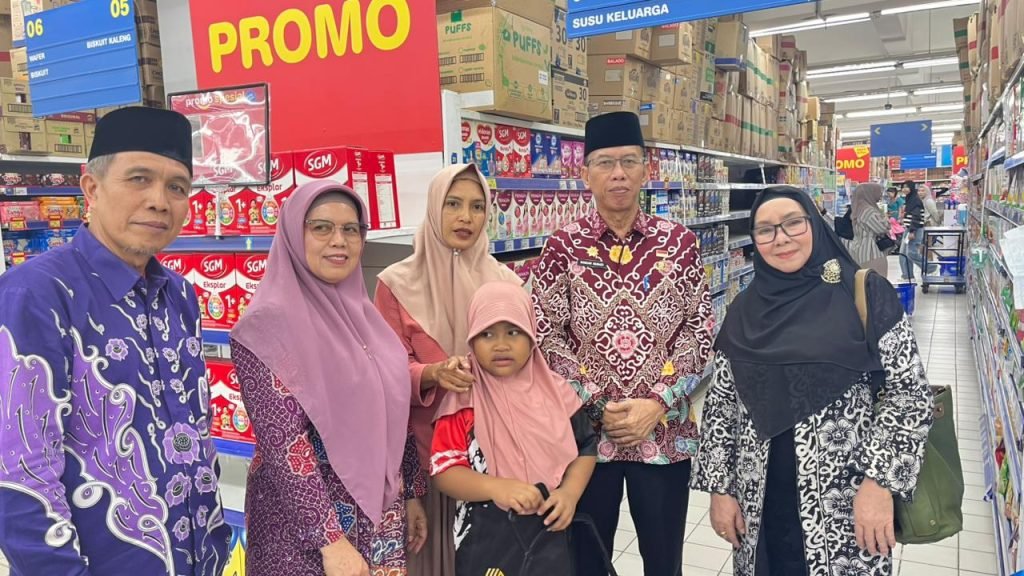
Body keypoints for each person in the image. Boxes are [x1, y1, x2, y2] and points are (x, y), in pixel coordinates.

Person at [0, 107, 231, 574]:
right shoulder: (37, 293)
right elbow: (20, 474)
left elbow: (196, 434)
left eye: (177, 187)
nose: (159, 201)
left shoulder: (180, 295)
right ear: (91, 188)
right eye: (139, 179)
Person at [691, 186, 933, 576]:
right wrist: (720, 489)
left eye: (793, 223)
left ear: (815, 226)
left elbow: (910, 396)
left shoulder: (866, 294)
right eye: (766, 230)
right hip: (760, 509)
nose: (781, 238)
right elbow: (721, 407)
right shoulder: (744, 309)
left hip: (847, 507)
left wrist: (880, 483)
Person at [531, 111, 714, 576]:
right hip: (588, 441)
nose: (618, 173)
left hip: (665, 435)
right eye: (605, 163)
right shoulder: (562, 247)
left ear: (646, 170)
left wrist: (658, 402)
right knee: (587, 560)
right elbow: (545, 334)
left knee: (664, 562)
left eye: (629, 161)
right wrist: (596, 404)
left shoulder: (679, 243)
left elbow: (700, 330)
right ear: (585, 173)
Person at [230, 181, 428, 576]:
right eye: (321, 227)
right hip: (305, 537)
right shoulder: (266, 327)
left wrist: (412, 493)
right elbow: (286, 446)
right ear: (293, 234)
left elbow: (393, 412)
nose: (339, 240)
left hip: (380, 522)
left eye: (351, 229)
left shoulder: (368, 321)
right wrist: (330, 542)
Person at [374, 163, 521, 575]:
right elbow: (383, 372)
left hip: (493, 458)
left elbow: (527, 368)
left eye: (477, 206)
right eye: (452, 204)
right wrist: (433, 373)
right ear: (433, 207)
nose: (465, 217)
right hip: (424, 461)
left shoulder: (506, 284)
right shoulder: (396, 284)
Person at [430, 282, 598, 571]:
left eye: (513, 331)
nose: (501, 345)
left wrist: (569, 494)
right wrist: (496, 487)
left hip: (550, 528)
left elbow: (586, 447)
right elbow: (444, 472)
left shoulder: (558, 394)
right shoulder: (463, 399)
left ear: (532, 336)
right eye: (486, 333)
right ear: (471, 340)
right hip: (484, 535)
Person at [847, 183, 892, 276]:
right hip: (871, 252)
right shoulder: (868, 210)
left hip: (859, 249)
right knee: (877, 280)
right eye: (878, 192)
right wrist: (886, 220)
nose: (880, 195)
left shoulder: (858, 209)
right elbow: (881, 228)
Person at [900, 181, 927, 280]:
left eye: (907, 187)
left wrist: (912, 231)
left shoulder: (915, 200)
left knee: (911, 253)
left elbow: (916, 217)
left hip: (914, 230)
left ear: (911, 188)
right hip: (909, 229)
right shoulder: (909, 199)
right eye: (903, 187)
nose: (904, 189)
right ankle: (908, 275)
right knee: (903, 254)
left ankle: (930, 267)